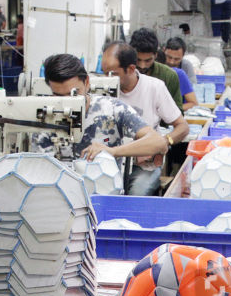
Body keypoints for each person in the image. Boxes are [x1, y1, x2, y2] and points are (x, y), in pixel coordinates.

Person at [43, 52, 169, 195]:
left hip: (103, 196)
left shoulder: (112, 109)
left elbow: (158, 143)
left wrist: (113, 151)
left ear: (87, 82)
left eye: (74, 94)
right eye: (59, 96)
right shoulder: (43, 115)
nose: (68, 103)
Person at [101, 41, 186, 193]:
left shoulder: (154, 87)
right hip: (109, 162)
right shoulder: (101, 89)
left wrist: (162, 143)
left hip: (144, 165)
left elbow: (182, 127)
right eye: (104, 72)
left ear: (131, 69)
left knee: (136, 194)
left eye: (113, 74)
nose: (107, 78)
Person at [129, 27, 195, 109]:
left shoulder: (170, 76)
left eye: (148, 60)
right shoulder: (124, 73)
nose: (142, 66)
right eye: (138, 60)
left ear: (155, 55)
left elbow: (180, 111)